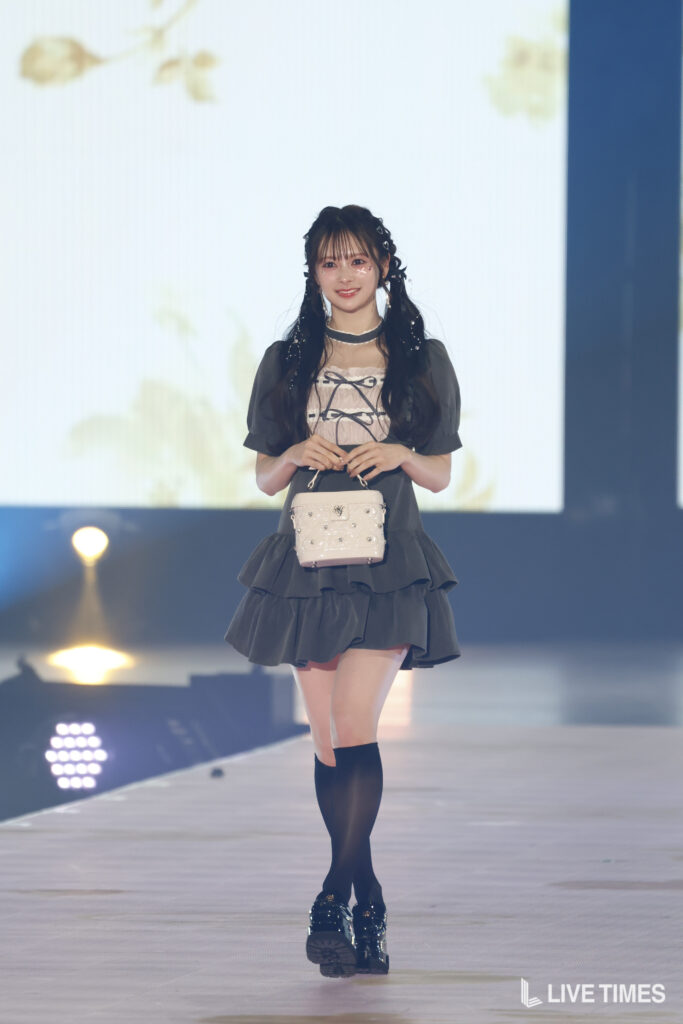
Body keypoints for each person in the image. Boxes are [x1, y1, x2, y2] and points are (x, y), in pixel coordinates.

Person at [224, 204, 463, 979]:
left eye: (359, 260)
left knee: (356, 723)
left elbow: (439, 471)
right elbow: (265, 478)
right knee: (327, 739)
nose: (346, 275)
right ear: (314, 273)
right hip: (309, 559)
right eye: (331, 262)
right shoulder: (285, 362)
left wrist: (396, 449)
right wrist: (293, 449)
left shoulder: (420, 356)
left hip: (387, 555)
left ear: (383, 267)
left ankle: (332, 895)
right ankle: (371, 907)